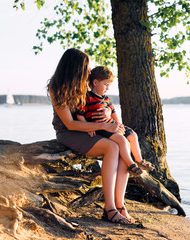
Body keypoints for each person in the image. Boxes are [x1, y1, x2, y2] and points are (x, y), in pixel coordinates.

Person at [48, 48, 135, 224]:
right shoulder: (57, 88)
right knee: (112, 147)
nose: (89, 70)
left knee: (123, 145)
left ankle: (120, 205)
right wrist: (103, 125)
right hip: (69, 133)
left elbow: (100, 104)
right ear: (76, 67)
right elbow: (70, 123)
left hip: (91, 129)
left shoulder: (86, 84)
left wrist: (105, 113)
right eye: (86, 66)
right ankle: (109, 209)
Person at [76, 66, 154, 175]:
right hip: (101, 128)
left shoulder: (106, 98)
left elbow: (113, 112)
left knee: (133, 136)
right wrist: (87, 127)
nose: (107, 88)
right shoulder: (87, 98)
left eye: (109, 85)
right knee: (122, 141)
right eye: (105, 84)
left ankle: (139, 160)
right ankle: (130, 164)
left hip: (112, 125)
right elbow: (80, 114)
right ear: (95, 82)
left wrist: (119, 124)